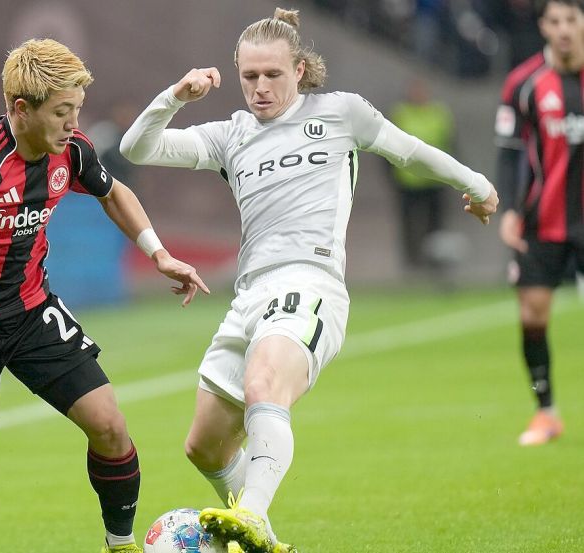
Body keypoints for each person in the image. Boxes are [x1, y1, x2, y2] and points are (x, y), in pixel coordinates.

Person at [120, 8, 498, 553]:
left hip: (310, 282)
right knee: (204, 445)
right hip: (249, 293)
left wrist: (477, 183)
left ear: (300, 69)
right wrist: (177, 95)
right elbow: (138, 149)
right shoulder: (231, 135)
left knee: (263, 387)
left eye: (273, 74)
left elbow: (409, 149)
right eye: (249, 77)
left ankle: (251, 514)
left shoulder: (340, 112)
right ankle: (260, 535)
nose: (260, 87)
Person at [0, 38, 208, 553]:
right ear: (21, 109)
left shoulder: (72, 151)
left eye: (76, 110)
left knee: (109, 423)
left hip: (30, 312)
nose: (72, 123)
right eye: (63, 111)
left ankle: (120, 542)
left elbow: (113, 192)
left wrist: (157, 254)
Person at [494, 0, 584, 446]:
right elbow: (509, 152)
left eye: (572, 19)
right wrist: (509, 208)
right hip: (541, 221)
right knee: (532, 315)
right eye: (555, 21)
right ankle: (546, 412)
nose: (564, 29)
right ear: (543, 26)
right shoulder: (523, 82)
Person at [389, 77, 455, 270]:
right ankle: (412, 263)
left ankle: (436, 262)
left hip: (435, 180)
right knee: (409, 225)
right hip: (408, 181)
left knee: (436, 224)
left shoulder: (439, 113)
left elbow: (450, 143)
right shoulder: (401, 113)